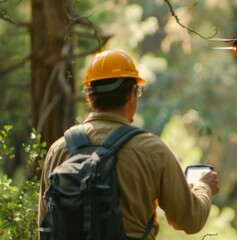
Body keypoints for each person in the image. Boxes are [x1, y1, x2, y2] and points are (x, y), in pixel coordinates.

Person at [38, 49, 220, 239]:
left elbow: (45, 226)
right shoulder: (152, 150)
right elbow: (189, 220)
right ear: (132, 93)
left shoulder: (58, 149)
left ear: (89, 95)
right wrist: (203, 187)